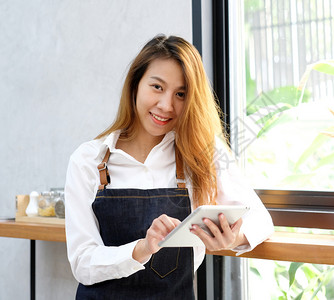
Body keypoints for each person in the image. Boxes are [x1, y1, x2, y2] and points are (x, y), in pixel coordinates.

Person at [64, 34, 274, 299]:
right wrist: (142, 248)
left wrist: (233, 238)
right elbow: (83, 263)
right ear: (135, 85)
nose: (166, 105)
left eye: (181, 94)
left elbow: (261, 219)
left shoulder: (201, 155)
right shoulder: (88, 160)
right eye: (157, 87)